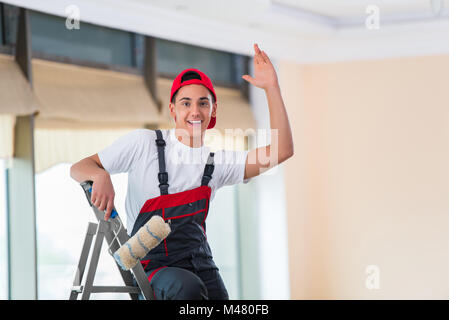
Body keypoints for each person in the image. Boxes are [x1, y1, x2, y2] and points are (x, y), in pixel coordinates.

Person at [70, 43, 294, 300]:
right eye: (186, 103)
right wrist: (100, 175)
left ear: (214, 111)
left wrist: (272, 89)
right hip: (154, 270)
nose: (195, 111)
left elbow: (281, 150)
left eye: (203, 103)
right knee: (186, 288)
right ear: (173, 110)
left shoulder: (217, 163)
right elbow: (78, 168)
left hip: (202, 265)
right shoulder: (144, 144)